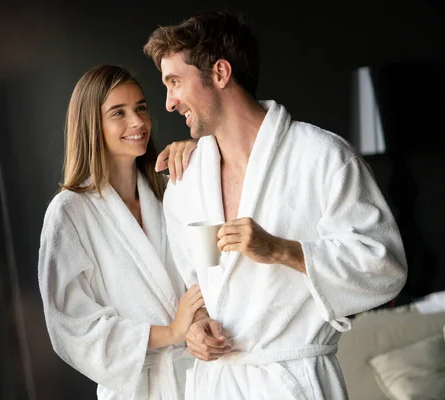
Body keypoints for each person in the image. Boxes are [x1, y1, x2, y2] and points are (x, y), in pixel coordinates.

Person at [144, 11, 407, 399]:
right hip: (217, 385)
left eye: (175, 82)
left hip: (294, 382)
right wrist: (197, 325)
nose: (168, 103)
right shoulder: (184, 183)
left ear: (219, 73)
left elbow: (385, 267)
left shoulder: (322, 157)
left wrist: (282, 250)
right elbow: (195, 285)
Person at [38, 64, 203, 400]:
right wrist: (171, 331)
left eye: (141, 108)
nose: (138, 122)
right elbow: (71, 326)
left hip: (201, 377)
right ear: (91, 124)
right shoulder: (69, 212)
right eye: (119, 113)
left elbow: (211, 266)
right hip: (139, 390)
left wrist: (202, 158)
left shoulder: (170, 190)